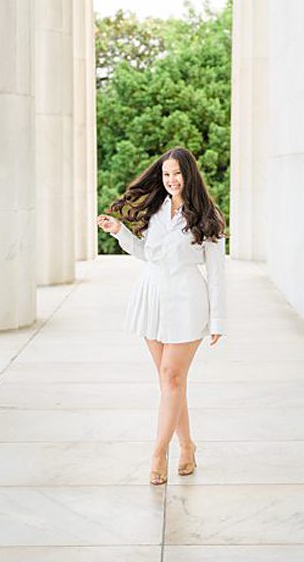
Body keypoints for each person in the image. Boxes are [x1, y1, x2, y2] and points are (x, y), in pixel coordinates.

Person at [98, 145, 228, 485]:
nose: (171, 180)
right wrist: (119, 231)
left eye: (177, 174)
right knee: (171, 382)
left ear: (189, 175)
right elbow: (147, 253)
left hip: (187, 302)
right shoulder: (156, 212)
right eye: (166, 174)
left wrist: (217, 321)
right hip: (152, 297)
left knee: (172, 377)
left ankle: (158, 453)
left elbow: (216, 273)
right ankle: (187, 445)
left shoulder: (207, 215)